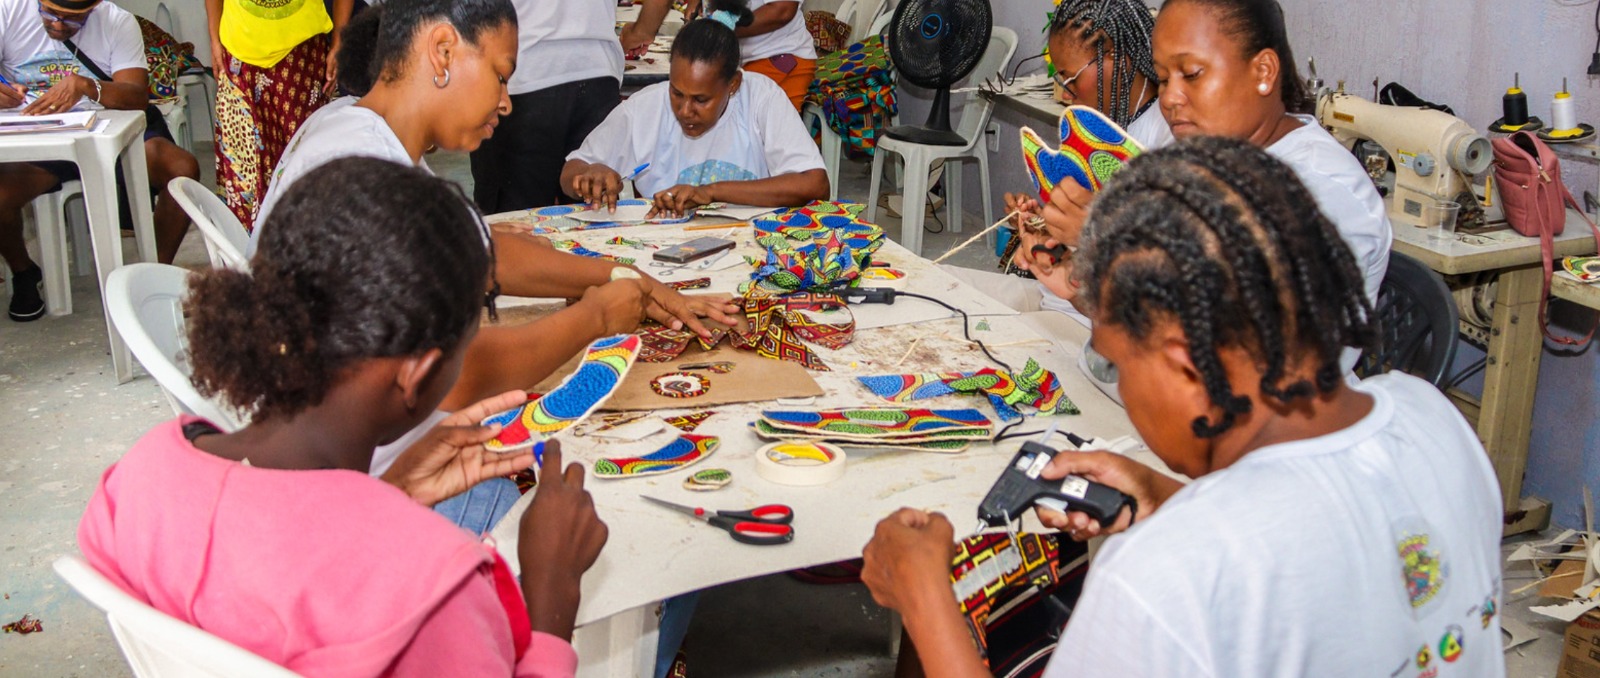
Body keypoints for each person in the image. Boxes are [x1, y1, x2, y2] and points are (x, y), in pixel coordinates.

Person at [860, 137, 1504, 677]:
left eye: (1116, 360)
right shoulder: (1431, 419)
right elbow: (1313, 554)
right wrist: (1167, 496)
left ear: (1182, 363)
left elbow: (1232, 561)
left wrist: (925, 598)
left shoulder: (1162, 573)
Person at [78, 157, 609, 676]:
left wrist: (391, 497)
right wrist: (550, 597)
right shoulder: (435, 585)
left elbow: (288, 562)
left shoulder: (140, 474)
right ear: (419, 371)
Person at [252, 0, 741, 416]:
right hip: (351, 468)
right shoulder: (362, 169)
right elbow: (450, 379)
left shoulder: (353, 127)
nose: (506, 103)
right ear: (443, 51)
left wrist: (628, 278)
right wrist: (595, 318)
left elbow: (480, 255)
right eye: (501, 77)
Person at [1015, 0, 1392, 347]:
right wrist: (1075, 283)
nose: (1169, 98)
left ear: (1263, 71)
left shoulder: (1324, 191)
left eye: (1192, 74)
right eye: (1164, 78)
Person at [0, 0, 199, 321]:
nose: (59, 25)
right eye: (50, 14)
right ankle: (23, 271)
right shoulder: (7, 11)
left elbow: (136, 96)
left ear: (93, 7)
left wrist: (87, 86)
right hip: (41, 138)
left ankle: (153, 273)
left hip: (110, 130)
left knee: (181, 170)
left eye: (73, 19)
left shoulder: (117, 21)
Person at [561, 8, 828, 218]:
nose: (685, 111)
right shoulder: (645, 107)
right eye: (676, 93)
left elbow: (815, 184)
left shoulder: (761, 97)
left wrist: (710, 192)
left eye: (701, 100)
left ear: (733, 84)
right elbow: (570, 172)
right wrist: (590, 174)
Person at [205, 0, 350, 229]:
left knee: (304, 164)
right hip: (238, 52)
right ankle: (248, 249)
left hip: (302, 54)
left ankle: (307, 245)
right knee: (243, 175)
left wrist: (339, 42)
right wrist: (214, 37)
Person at [468, 0, 621, 212]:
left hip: (524, 70)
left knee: (514, 216)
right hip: (598, 68)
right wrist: (642, 30)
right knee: (592, 209)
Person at [625, 0, 816, 110]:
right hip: (738, 57)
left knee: (756, 143)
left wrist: (718, 27)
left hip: (778, 58)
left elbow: (781, 10)